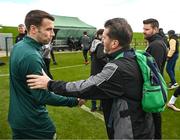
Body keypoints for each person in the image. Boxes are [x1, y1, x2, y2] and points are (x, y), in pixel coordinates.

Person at [27, 18, 154, 139]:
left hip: (130, 130)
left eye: (104, 38)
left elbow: (86, 87)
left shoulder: (118, 67)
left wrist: (50, 84)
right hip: (144, 125)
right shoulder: (135, 56)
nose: (102, 40)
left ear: (115, 43)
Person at [8, 9, 84, 139]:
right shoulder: (30, 56)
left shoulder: (19, 47)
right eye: (49, 29)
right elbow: (42, 96)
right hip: (33, 121)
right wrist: (73, 101)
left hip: (18, 116)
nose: (53, 34)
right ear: (33, 29)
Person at [143, 18, 167, 139]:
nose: (144, 31)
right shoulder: (155, 43)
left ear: (155, 29)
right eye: (143, 29)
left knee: (154, 118)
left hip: (154, 88)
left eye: (147, 29)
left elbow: (153, 71)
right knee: (153, 117)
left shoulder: (156, 45)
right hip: (154, 88)